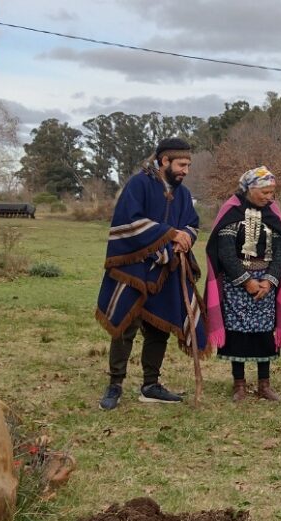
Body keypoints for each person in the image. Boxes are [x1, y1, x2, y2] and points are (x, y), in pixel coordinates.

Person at [96, 137, 202, 410]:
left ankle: (150, 385)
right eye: (181, 164)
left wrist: (185, 237)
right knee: (125, 325)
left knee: (159, 327)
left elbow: (192, 222)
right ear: (164, 161)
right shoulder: (138, 184)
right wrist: (169, 233)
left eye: (188, 164)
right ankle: (115, 384)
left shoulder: (183, 193)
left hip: (167, 268)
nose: (185, 170)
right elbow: (128, 222)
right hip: (135, 266)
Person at [204, 166, 281, 402]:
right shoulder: (231, 211)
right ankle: (239, 384)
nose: (270, 197)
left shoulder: (272, 212)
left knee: (265, 332)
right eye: (265, 192)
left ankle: (264, 384)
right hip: (237, 286)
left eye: (272, 192)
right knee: (237, 333)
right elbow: (224, 253)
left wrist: (269, 281)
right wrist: (246, 281)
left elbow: (280, 251)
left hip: (266, 284)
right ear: (250, 189)